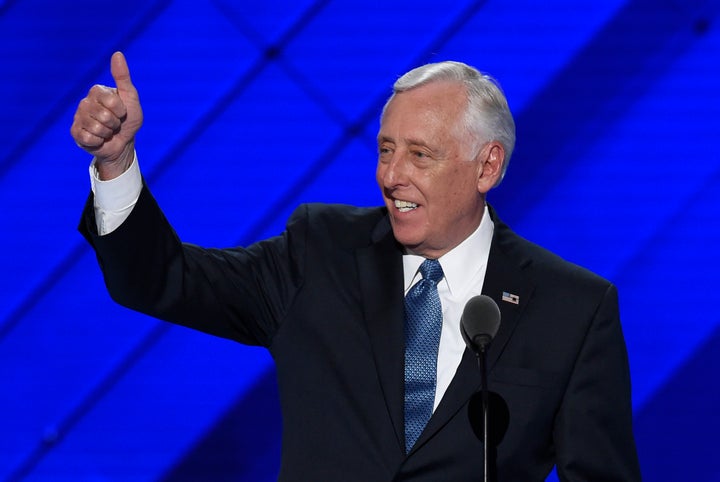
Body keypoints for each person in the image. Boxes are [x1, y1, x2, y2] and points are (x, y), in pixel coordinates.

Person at [72, 52, 641, 481]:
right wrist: (116, 162)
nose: (392, 176)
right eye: (386, 149)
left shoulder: (572, 310)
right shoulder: (319, 253)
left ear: (487, 166)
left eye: (420, 154)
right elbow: (161, 280)